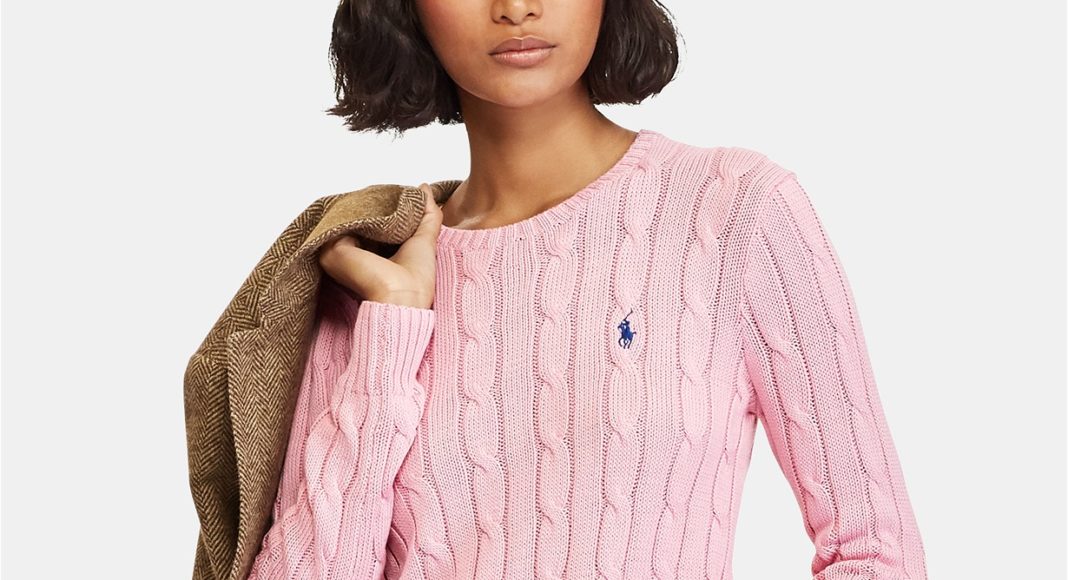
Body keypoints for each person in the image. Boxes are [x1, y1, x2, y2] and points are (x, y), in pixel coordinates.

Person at [246, 0, 928, 578]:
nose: (516, 7)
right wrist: (391, 330)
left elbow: (874, 551)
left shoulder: (733, 211)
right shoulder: (370, 271)